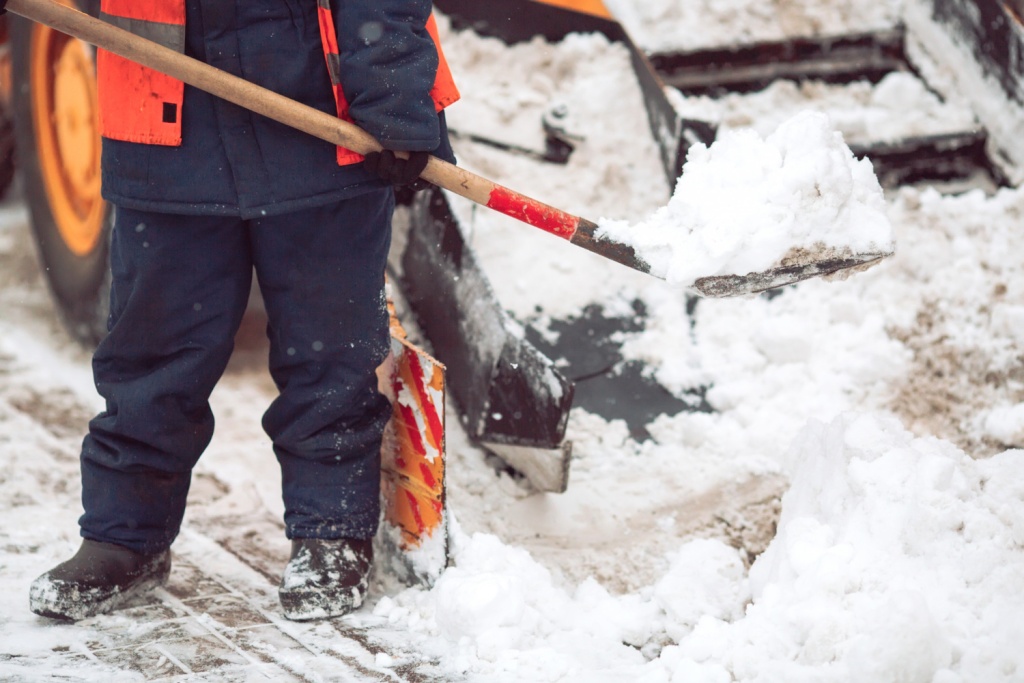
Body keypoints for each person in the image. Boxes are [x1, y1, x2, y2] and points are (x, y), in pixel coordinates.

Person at [26, 0, 458, 622]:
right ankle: (124, 536)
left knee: (330, 347)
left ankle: (330, 530)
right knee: (152, 352)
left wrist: (391, 94)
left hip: (320, 107)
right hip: (163, 116)